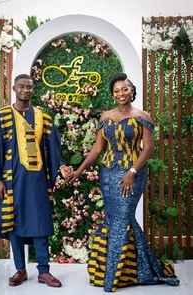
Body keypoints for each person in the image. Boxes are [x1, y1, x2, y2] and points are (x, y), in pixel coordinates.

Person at [66, 73, 180, 292]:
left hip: (132, 175)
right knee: (114, 220)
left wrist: (132, 171)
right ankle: (142, 270)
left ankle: (111, 278)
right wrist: (79, 170)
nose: (121, 94)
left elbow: (148, 148)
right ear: (113, 94)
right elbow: (98, 149)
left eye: (125, 89)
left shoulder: (142, 115)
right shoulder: (105, 117)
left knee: (122, 219)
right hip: (108, 174)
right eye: (116, 91)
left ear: (132, 91)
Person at [0, 74, 69, 288]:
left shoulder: (42, 117)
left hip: (37, 180)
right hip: (12, 179)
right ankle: (20, 269)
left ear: (33, 89)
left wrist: (60, 168)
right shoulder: (0, 116)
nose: (26, 90)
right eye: (21, 86)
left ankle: (44, 272)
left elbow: (53, 148)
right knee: (15, 223)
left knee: (40, 223)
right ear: (14, 88)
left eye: (29, 87)